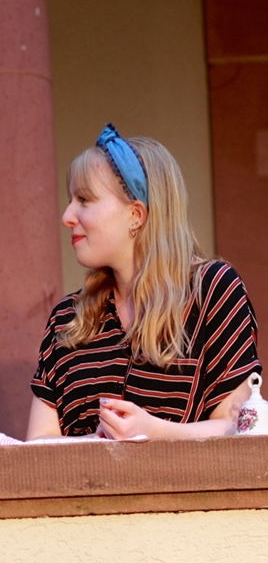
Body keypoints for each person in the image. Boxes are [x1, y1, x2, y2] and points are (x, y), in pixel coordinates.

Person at [27, 123, 261, 441]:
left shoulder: (212, 290)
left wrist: (151, 431)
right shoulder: (67, 319)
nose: (67, 216)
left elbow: (240, 428)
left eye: (84, 199)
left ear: (136, 214)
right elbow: (38, 443)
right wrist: (94, 443)